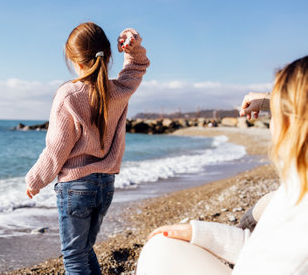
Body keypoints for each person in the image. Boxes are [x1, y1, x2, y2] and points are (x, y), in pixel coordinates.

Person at [137, 56, 308, 275]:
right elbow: (262, 247)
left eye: (275, 111)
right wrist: (197, 232)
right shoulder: (296, 186)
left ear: (288, 123)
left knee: (160, 250)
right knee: (164, 244)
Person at [25, 22, 150, 274]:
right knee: (84, 249)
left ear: (74, 60)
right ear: (107, 55)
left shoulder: (70, 94)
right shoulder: (119, 90)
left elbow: (57, 149)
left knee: (74, 257)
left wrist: (35, 179)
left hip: (76, 187)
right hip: (106, 186)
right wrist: (133, 48)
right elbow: (137, 67)